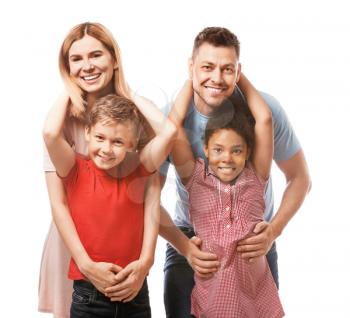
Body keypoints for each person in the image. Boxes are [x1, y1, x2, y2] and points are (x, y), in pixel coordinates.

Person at [159, 27, 311, 317]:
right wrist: (185, 248)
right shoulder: (174, 124)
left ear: (238, 71)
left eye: (227, 69)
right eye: (206, 67)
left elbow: (300, 178)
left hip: (253, 244)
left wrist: (273, 232)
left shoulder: (263, 114)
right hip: (192, 242)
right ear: (191, 67)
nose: (216, 78)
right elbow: (146, 199)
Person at [38, 22, 164, 317]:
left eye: (96, 55)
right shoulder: (60, 122)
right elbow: (58, 203)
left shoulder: (136, 118)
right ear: (66, 67)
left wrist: (147, 260)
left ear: (114, 59)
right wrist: (84, 263)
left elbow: (150, 197)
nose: (87, 66)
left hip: (125, 249)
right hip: (74, 246)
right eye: (76, 59)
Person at [43, 92, 176, 317]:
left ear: (132, 144)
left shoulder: (140, 169)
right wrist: (71, 91)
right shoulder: (75, 169)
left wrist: (131, 94)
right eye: (100, 138)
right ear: (87, 132)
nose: (106, 149)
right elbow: (49, 133)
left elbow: (169, 132)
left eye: (118, 142)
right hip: (89, 295)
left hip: (134, 292)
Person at [169, 74, 284, 317]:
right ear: (207, 149)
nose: (227, 158)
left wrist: (237, 77)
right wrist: (194, 78)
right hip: (213, 299)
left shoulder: (256, 176)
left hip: (256, 299)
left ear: (248, 152)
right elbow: (173, 127)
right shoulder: (196, 179)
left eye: (237, 150)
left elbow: (264, 118)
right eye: (219, 150)